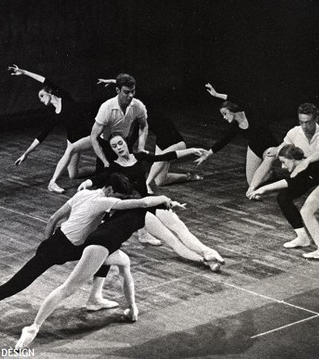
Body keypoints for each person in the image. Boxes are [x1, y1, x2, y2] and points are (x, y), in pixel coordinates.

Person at [0, 173, 170, 343]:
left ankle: (95, 298)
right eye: (117, 196)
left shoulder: (83, 194)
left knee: (110, 255)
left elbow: (54, 218)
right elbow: (141, 204)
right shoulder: (103, 201)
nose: (117, 201)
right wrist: (163, 198)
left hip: (62, 243)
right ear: (110, 189)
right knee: (15, 285)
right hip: (58, 248)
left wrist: (46, 241)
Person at [79, 133, 224, 272]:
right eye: (114, 146)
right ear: (112, 149)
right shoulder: (114, 167)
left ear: (126, 143)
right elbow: (100, 178)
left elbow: (164, 156)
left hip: (152, 200)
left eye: (120, 143)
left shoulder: (139, 156)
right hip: (138, 208)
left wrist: (191, 150)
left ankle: (207, 251)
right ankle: (204, 260)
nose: (119, 147)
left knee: (180, 228)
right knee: (171, 239)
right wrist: (86, 183)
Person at [252, 102, 319, 223]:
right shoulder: (294, 132)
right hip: (306, 172)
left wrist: (308, 160)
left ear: (316, 119)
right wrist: (277, 149)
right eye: (301, 122)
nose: (304, 126)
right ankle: (301, 235)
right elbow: (285, 145)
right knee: (283, 197)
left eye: (308, 122)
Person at [248, 145, 319, 260]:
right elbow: (291, 181)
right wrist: (263, 189)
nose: (282, 166)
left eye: (283, 162)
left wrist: (264, 189)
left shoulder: (308, 166)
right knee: (306, 211)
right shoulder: (300, 167)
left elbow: (290, 182)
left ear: (293, 159)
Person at [96, 78, 202, 194]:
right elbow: (131, 140)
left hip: (177, 142)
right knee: (161, 180)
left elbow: (135, 89)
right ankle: (188, 176)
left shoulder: (145, 105)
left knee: (158, 163)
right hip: (162, 143)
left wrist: (113, 81)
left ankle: (146, 185)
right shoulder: (138, 119)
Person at [92, 73, 159, 244]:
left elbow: (144, 126)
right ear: (117, 90)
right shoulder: (107, 108)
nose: (130, 96)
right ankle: (98, 229)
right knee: (104, 190)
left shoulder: (137, 106)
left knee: (139, 188)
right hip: (107, 146)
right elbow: (94, 137)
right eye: (126, 92)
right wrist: (106, 162)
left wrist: (141, 146)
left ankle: (143, 233)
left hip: (124, 142)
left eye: (133, 92)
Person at [10, 64, 95, 193]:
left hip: (87, 136)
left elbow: (44, 80)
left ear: (49, 93)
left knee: (71, 150)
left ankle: (52, 182)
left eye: (42, 96)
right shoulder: (55, 115)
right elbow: (41, 136)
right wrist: (25, 154)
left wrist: (25, 72)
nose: (40, 99)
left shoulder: (64, 97)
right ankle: (100, 169)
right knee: (73, 174)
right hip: (73, 140)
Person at [197, 84, 279, 192]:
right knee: (251, 181)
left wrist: (217, 95)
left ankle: (267, 168)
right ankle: (270, 174)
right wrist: (208, 153)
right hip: (254, 148)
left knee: (270, 162)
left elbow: (237, 99)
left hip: (270, 146)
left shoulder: (250, 112)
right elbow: (224, 140)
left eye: (225, 113)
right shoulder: (236, 126)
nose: (224, 117)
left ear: (232, 110)